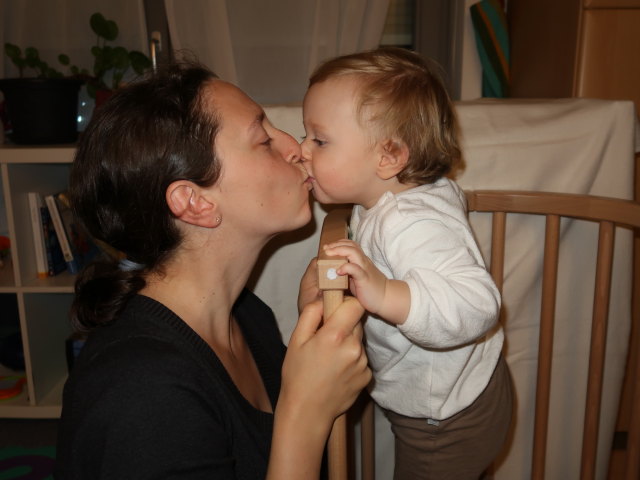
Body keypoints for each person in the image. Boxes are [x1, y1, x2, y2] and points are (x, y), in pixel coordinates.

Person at [54, 62, 371, 480]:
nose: (295, 147)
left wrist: (307, 347)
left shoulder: (247, 315)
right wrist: (305, 414)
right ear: (194, 202)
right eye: (262, 139)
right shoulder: (142, 394)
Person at [298, 47, 513, 479]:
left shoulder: (412, 223)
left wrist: (383, 292)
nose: (302, 150)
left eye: (319, 140)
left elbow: (477, 303)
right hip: (458, 392)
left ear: (390, 156)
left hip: (446, 418)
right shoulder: (388, 199)